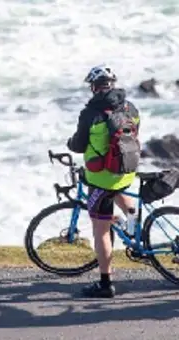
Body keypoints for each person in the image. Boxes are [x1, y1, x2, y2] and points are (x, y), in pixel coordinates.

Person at [66, 65, 143, 298]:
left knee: (100, 229)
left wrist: (69, 143)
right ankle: (133, 225)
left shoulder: (90, 113)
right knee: (117, 190)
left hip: (101, 176)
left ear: (94, 87)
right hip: (126, 170)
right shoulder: (130, 107)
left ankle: (105, 283)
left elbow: (78, 144)